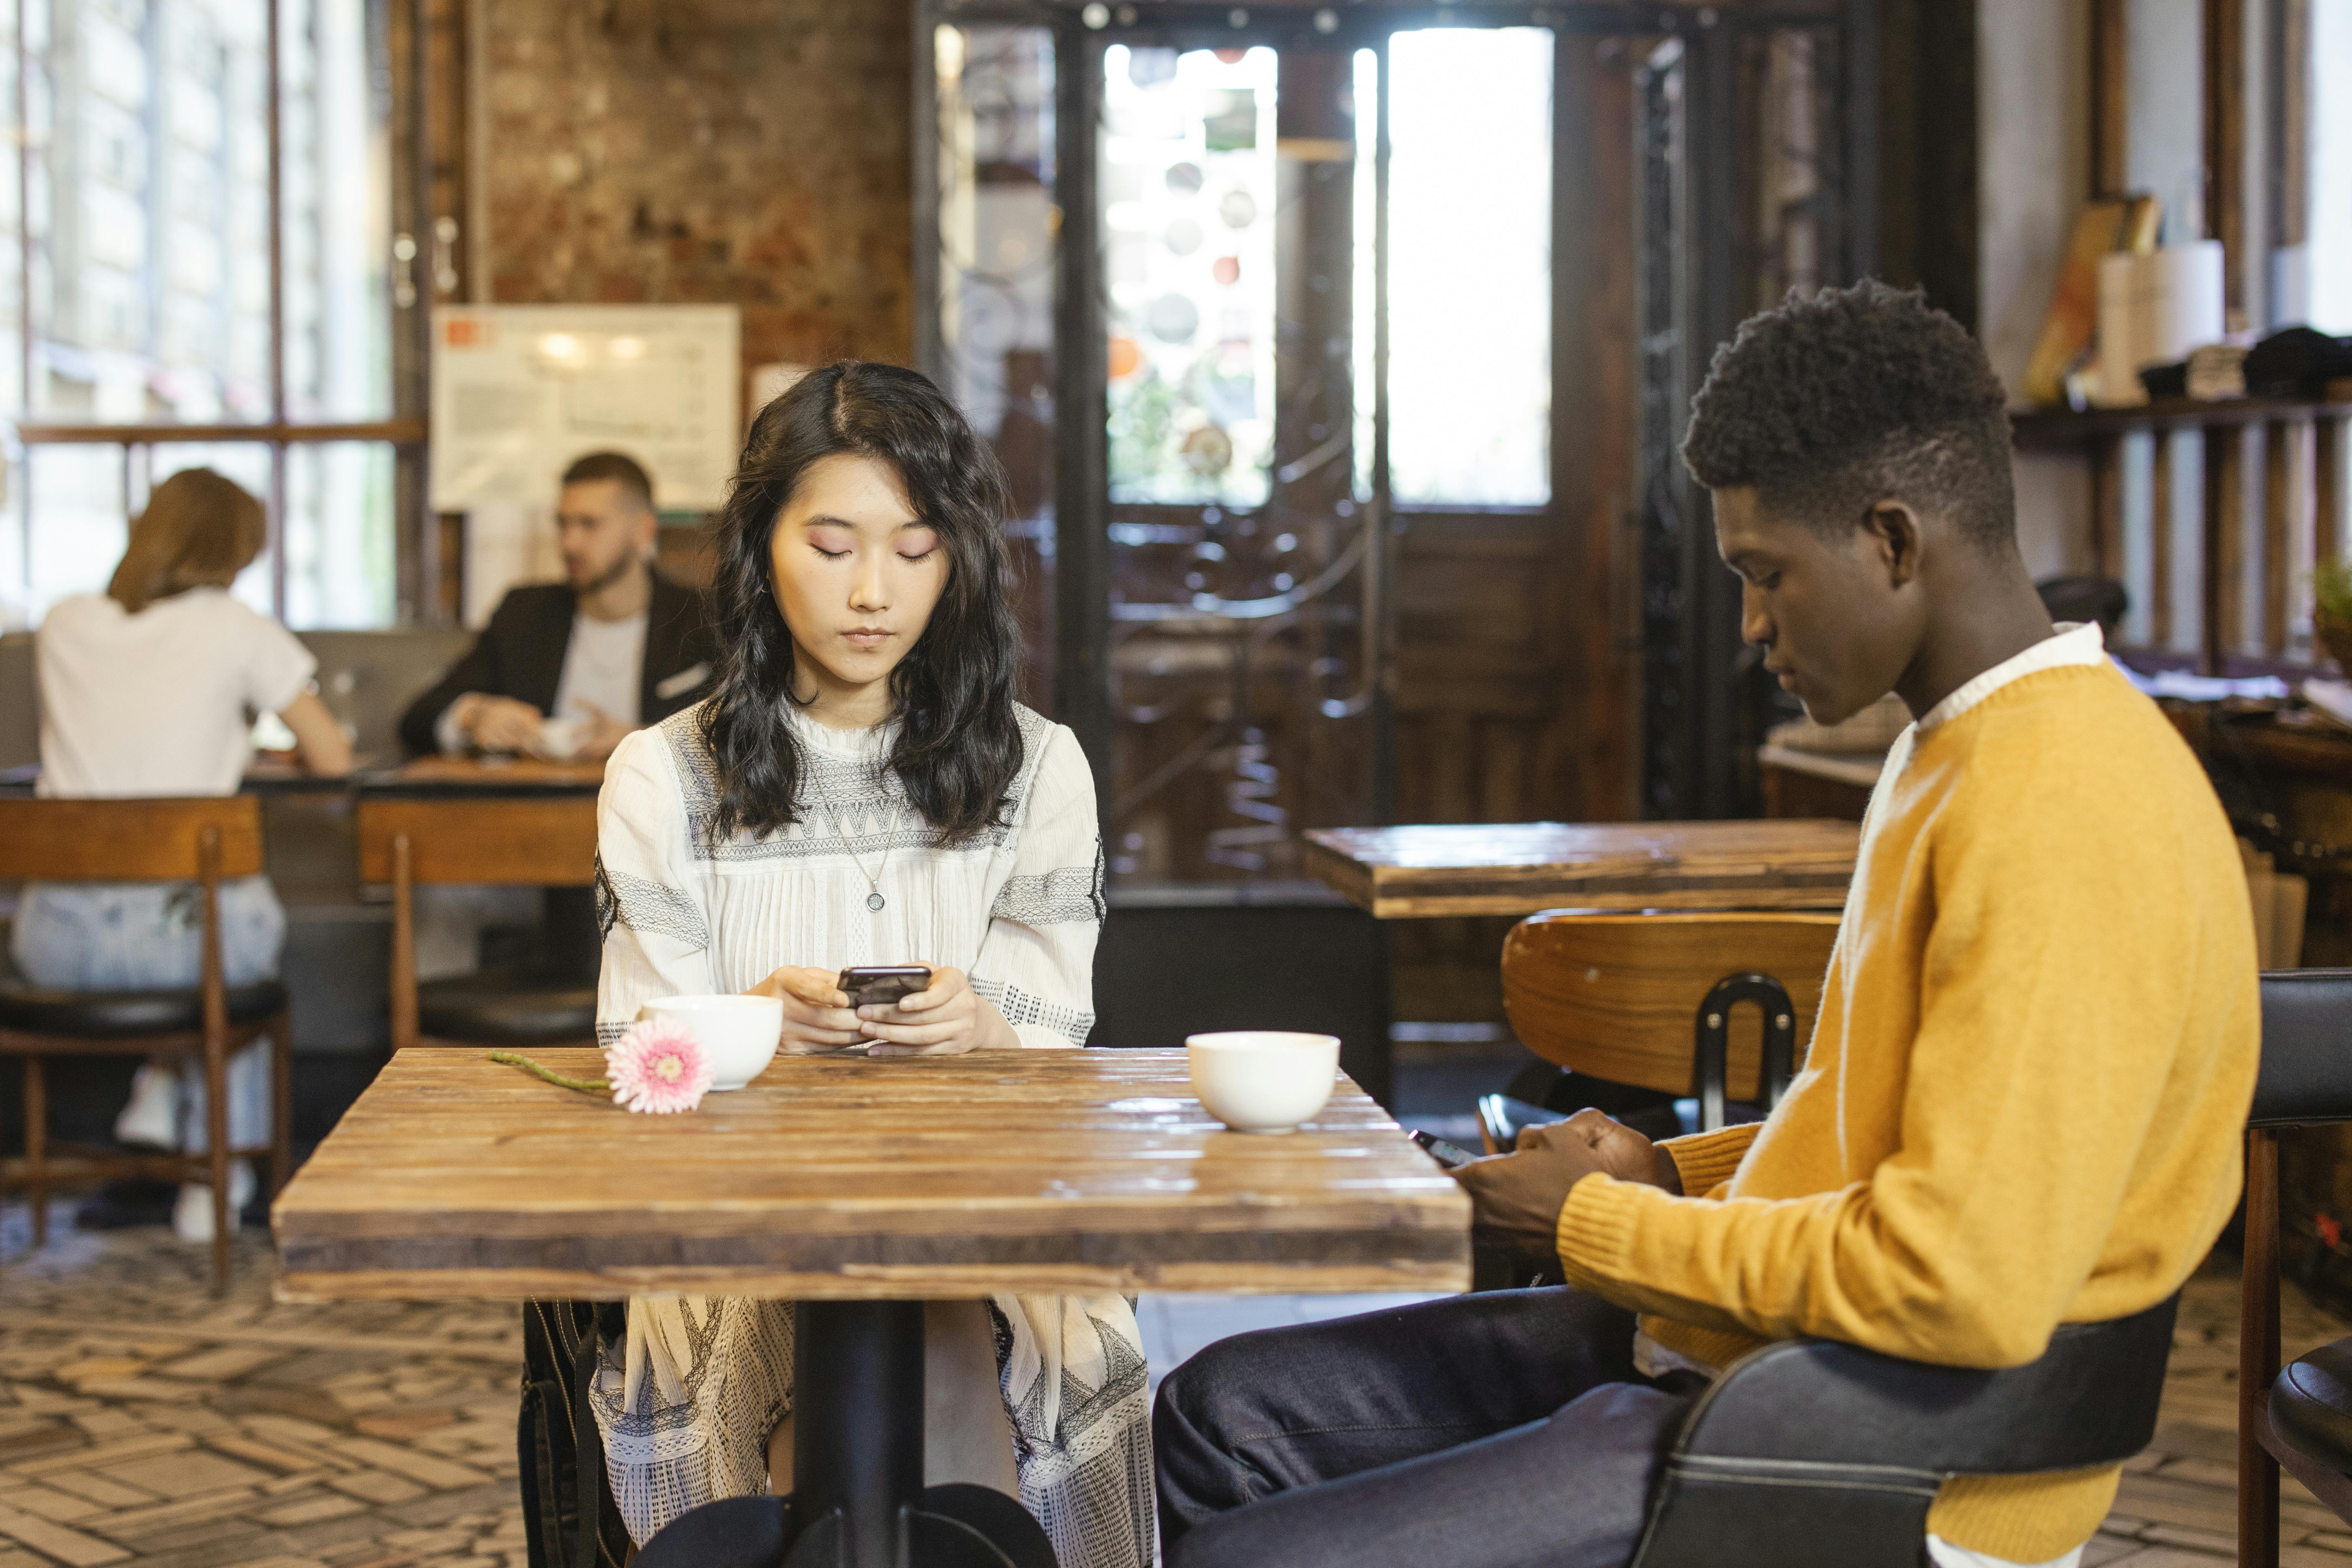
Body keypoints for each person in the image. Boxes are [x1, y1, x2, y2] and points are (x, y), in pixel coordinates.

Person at [1152, 281, 2260, 1568]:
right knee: (1224, 1417)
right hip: (1774, 1373)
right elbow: (1877, 1134)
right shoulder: (1952, 751)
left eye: (1764, 574)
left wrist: (1591, 1223)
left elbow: (1959, 1280)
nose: (1749, 625)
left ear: (1892, 541)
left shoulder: (2063, 799)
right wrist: (1662, 1176)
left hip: (1895, 1464)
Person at [573, 363, 1152, 1568]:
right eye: (832, 546)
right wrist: (755, 1026)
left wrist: (982, 1027)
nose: (874, 592)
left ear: (959, 560)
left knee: (963, 1328)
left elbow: (1056, 1034)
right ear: (760, 549)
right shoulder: (664, 772)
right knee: (835, 1347)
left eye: (915, 547)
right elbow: (644, 1067)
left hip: (982, 1205)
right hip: (733, 1227)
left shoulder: (1036, 767)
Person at [12, 468, 353, 1242]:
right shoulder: (233, 624)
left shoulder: (65, 622)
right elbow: (331, 755)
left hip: (55, 944)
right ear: (231, 550)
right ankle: (219, 1175)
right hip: (182, 948)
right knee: (232, 955)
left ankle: (164, 1088)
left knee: (198, 945)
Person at [398, 451, 716, 762]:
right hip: (539, 808)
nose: (569, 543)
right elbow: (417, 721)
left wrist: (643, 741)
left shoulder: (701, 617)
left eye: (589, 524)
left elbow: (743, 738)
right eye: (563, 524)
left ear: (644, 530)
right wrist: (472, 717)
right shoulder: (525, 613)